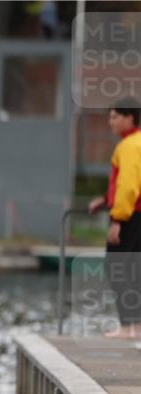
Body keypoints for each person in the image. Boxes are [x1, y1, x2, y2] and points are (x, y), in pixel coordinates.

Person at [89, 99, 141, 339]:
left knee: (117, 267)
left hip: (131, 216)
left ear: (129, 117)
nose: (110, 122)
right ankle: (136, 327)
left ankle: (128, 327)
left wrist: (117, 219)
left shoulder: (129, 146)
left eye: (114, 117)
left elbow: (129, 186)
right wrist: (104, 199)